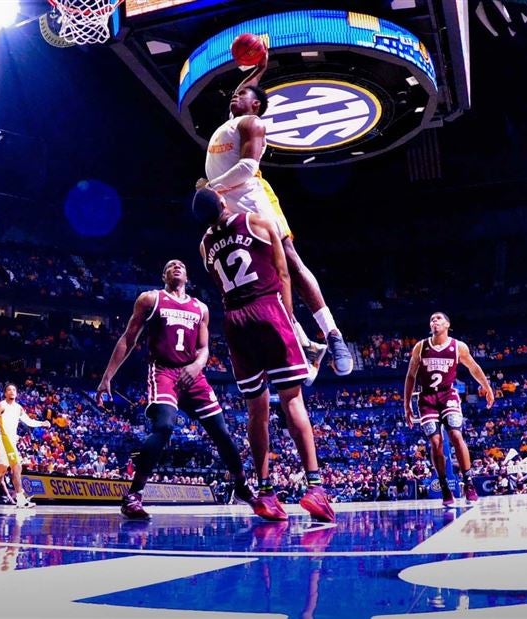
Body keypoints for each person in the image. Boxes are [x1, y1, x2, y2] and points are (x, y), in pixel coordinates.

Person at [199, 56, 352, 382]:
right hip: (229, 203)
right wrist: (261, 66)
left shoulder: (253, 124)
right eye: (235, 95)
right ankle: (303, 343)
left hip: (253, 195)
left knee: (290, 262)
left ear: (255, 105)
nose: (235, 96)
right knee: (259, 279)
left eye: (242, 96)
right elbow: (243, 87)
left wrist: (210, 189)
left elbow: (247, 169)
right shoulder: (231, 120)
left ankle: (333, 334)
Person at [193, 187, 334, 522]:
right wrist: (288, 316)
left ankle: (266, 492)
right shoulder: (258, 221)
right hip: (267, 308)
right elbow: (285, 273)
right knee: (292, 399)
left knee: (256, 409)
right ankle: (314, 486)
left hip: (235, 321)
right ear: (224, 202)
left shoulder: (204, 246)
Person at [97, 259, 256, 520]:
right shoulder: (151, 299)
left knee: (221, 432)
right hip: (163, 371)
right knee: (165, 426)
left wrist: (197, 366)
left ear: (188, 275)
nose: (177, 266)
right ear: (164, 274)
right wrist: (107, 376)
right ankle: (134, 495)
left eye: (181, 264)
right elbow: (128, 338)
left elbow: (204, 348)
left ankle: (241, 486)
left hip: (193, 373)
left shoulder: (200, 308)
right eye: (170, 265)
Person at [403, 312, 494, 507]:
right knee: (435, 442)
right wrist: (406, 404)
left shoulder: (458, 346)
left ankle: (468, 482)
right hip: (426, 398)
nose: (434, 321)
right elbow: (410, 376)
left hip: (447, 395)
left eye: (438, 319)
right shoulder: (421, 346)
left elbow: (474, 368)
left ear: (447, 324)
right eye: (431, 319)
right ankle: (445, 487)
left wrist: (487, 387)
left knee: (455, 435)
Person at [0, 382, 49, 508]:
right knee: (17, 467)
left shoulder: (19, 407)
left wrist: (42, 423)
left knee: (1, 470)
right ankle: (20, 499)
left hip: (11, 440)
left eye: (14, 390)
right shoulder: (1, 405)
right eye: (9, 390)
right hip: (3, 439)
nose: (11, 391)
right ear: (5, 393)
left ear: (16, 393)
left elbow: (28, 421)